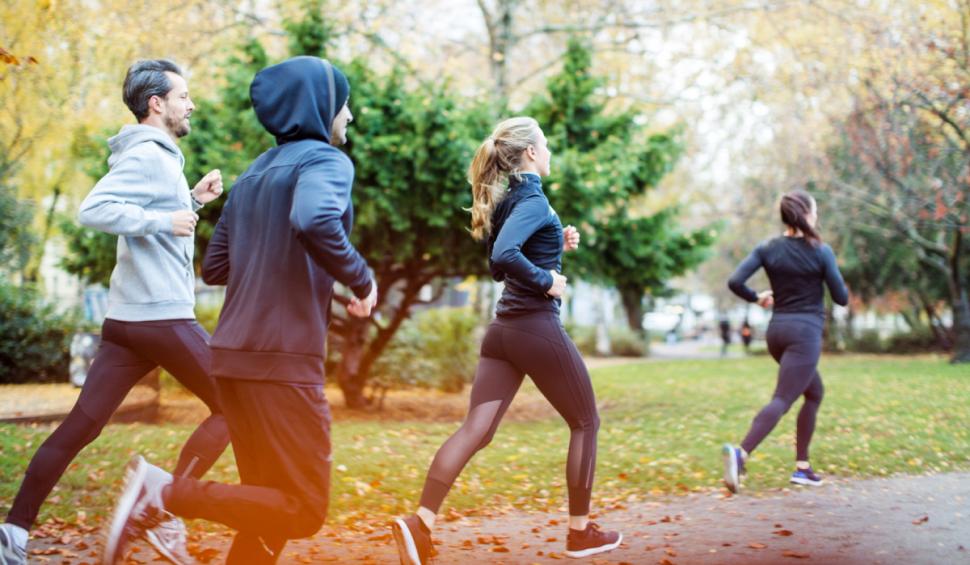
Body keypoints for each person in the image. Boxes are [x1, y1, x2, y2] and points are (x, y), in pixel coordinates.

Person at [100, 56, 377, 565]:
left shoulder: (252, 175)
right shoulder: (326, 161)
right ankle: (163, 493)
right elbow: (315, 220)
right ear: (319, 106)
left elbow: (217, 265)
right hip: (282, 362)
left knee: (267, 512)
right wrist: (361, 278)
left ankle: (164, 495)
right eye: (344, 104)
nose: (350, 116)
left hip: (231, 359)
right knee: (303, 509)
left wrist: (287, 266)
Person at [0, 59, 229, 565]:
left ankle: (12, 533)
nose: (190, 104)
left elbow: (156, 222)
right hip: (161, 316)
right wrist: (161, 219)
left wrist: (191, 201)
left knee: (82, 425)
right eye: (183, 96)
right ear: (157, 103)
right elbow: (93, 210)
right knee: (236, 404)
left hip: (128, 319)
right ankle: (164, 508)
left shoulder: (162, 157)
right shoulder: (150, 155)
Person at [391, 117, 621, 565]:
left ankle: (420, 524)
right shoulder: (532, 198)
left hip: (503, 333)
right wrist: (548, 281)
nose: (550, 152)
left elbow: (505, 259)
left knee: (476, 431)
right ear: (531, 153)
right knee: (586, 422)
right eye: (546, 145)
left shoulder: (513, 198)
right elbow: (503, 257)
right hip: (533, 328)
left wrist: (557, 245)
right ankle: (579, 533)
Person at [722, 189, 848, 493]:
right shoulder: (820, 251)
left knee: (814, 392)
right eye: (814, 211)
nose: (816, 216)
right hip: (804, 336)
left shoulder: (768, 248)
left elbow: (735, 282)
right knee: (782, 399)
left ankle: (802, 467)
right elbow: (841, 298)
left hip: (777, 334)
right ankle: (740, 454)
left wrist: (758, 298)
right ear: (806, 214)